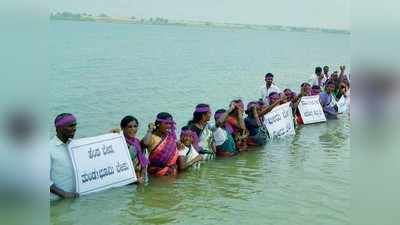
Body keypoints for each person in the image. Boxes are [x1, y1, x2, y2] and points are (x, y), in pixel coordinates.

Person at [50, 113, 79, 200]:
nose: (74, 129)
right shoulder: (48, 149)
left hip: (74, 198)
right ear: (59, 128)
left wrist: (113, 136)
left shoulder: (75, 146)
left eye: (75, 125)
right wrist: (63, 194)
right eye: (70, 126)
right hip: (56, 202)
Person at [142, 112, 179, 177]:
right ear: (158, 124)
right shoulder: (152, 137)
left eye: (170, 123)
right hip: (156, 174)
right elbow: (144, 143)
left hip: (171, 172)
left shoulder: (170, 136)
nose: (169, 126)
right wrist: (150, 129)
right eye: (166, 123)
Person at [119, 115, 149, 184]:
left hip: (139, 179)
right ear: (122, 128)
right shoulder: (120, 143)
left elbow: (143, 163)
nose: (133, 129)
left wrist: (142, 177)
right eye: (129, 127)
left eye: (135, 126)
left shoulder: (137, 142)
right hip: (127, 181)